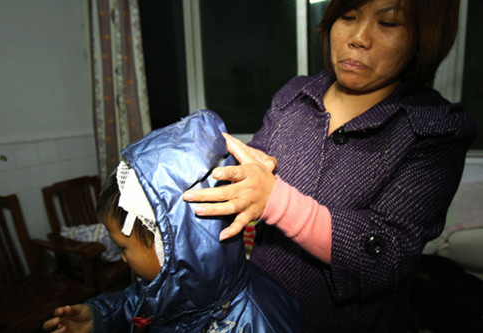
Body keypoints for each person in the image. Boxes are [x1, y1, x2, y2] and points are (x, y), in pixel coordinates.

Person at [182, 0, 476, 331]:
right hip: (260, 311)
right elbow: (254, 169)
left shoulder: (435, 129)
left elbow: (387, 254)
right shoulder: (294, 97)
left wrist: (276, 200)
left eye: (388, 23)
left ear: (424, 38)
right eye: (348, 17)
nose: (359, 38)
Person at [43, 110, 304, 333]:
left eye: (123, 248)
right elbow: (137, 305)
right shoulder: (171, 287)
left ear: (170, 245)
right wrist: (99, 317)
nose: (122, 259)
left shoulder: (257, 323)